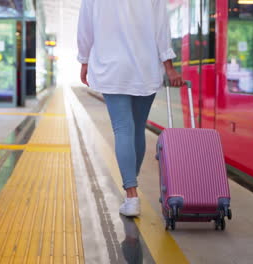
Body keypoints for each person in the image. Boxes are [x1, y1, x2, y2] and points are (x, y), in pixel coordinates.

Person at [77, 0, 183, 217]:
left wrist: (84, 61)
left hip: (111, 67)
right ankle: (130, 187)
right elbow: (162, 28)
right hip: (145, 67)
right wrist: (169, 67)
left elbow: (85, 28)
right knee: (136, 130)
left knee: (123, 129)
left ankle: (131, 195)